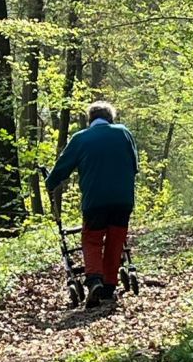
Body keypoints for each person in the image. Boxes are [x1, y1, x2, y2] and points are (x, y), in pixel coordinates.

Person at [46, 101, 138, 308]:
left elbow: (62, 168)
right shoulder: (124, 133)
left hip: (95, 201)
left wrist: (50, 184)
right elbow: (134, 165)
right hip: (123, 199)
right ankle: (109, 286)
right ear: (110, 118)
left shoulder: (80, 139)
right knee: (116, 239)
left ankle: (94, 279)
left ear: (90, 120)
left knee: (92, 239)